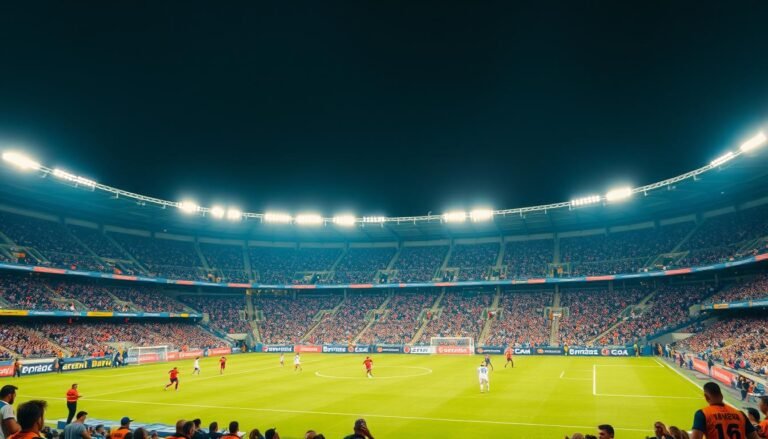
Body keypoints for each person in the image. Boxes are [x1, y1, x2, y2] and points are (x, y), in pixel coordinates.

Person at [690, 382, 758, 439]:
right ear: (722, 395)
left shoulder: (703, 414)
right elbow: (754, 437)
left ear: (706, 397)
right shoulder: (741, 414)